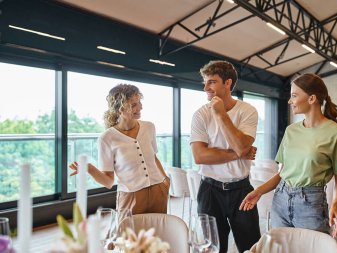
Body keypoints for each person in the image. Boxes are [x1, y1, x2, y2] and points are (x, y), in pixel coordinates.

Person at [240, 73, 337, 238]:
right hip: (280, 200)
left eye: (294, 96)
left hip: (311, 203)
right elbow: (282, 174)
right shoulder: (291, 130)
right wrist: (259, 191)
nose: (290, 101)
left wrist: (334, 206)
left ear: (312, 98)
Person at [190, 60, 261, 253]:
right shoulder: (200, 115)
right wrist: (239, 154)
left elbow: (241, 145)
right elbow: (200, 156)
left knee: (251, 248)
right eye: (205, 82)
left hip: (241, 190)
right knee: (212, 249)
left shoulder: (248, 111)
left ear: (227, 83)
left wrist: (221, 115)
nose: (206, 87)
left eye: (211, 82)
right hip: (210, 191)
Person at [69, 84, 170, 217]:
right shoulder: (107, 138)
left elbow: (154, 157)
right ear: (119, 109)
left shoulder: (149, 127)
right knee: (127, 236)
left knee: (157, 236)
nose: (140, 107)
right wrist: (89, 168)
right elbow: (108, 182)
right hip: (130, 196)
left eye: (139, 102)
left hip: (159, 190)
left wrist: (165, 181)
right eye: (133, 105)